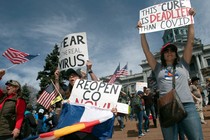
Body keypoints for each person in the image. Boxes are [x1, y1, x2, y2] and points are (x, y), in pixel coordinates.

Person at [137, 8, 204, 140]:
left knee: (196, 138)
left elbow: (190, 43)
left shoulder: (183, 64)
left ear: (175, 53)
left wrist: (191, 21)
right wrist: (142, 31)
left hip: (187, 106)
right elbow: (147, 51)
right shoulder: (158, 68)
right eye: (166, 50)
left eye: (172, 50)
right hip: (166, 108)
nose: (169, 52)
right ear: (162, 54)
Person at [54, 60, 116, 140]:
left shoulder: (88, 92)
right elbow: (58, 92)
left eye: (73, 75)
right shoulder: (68, 93)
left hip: (86, 131)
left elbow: (99, 86)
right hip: (70, 130)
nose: (71, 77)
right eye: (70, 76)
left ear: (80, 78)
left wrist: (89, 70)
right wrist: (56, 79)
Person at [0, 69, 27, 140]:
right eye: (7, 85)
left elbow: (20, 115)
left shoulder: (19, 100)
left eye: (10, 85)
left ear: (16, 88)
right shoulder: (2, 96)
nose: (7, 87)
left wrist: (17, 128)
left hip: (7, 133)